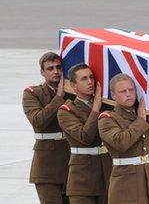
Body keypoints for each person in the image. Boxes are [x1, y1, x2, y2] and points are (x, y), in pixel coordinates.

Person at [98, 73, 149, 204]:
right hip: (126, 188)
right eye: (123, 91)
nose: (128, 94)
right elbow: (121, 143)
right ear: (113, 95)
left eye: (131, 90)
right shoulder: (107, 118)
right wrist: (141, 120)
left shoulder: (147, 114)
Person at [57, 63, 112, 203]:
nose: (90, 82)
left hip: (106, 173)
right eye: (84, 79)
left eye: (91, 77)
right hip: (82, 179)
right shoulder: (66, 111)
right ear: (74, 86)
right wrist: (96, 108)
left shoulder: (107, 106)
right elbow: (85, 137)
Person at [22, 52, 71, 204]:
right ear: (42, 72)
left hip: (71, 162)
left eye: (58, 67)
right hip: (46, 166)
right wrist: (59, 97)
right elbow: (38, 121)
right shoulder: (32, 93)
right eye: (50, 68)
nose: (56, 71)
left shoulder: (73, 92)